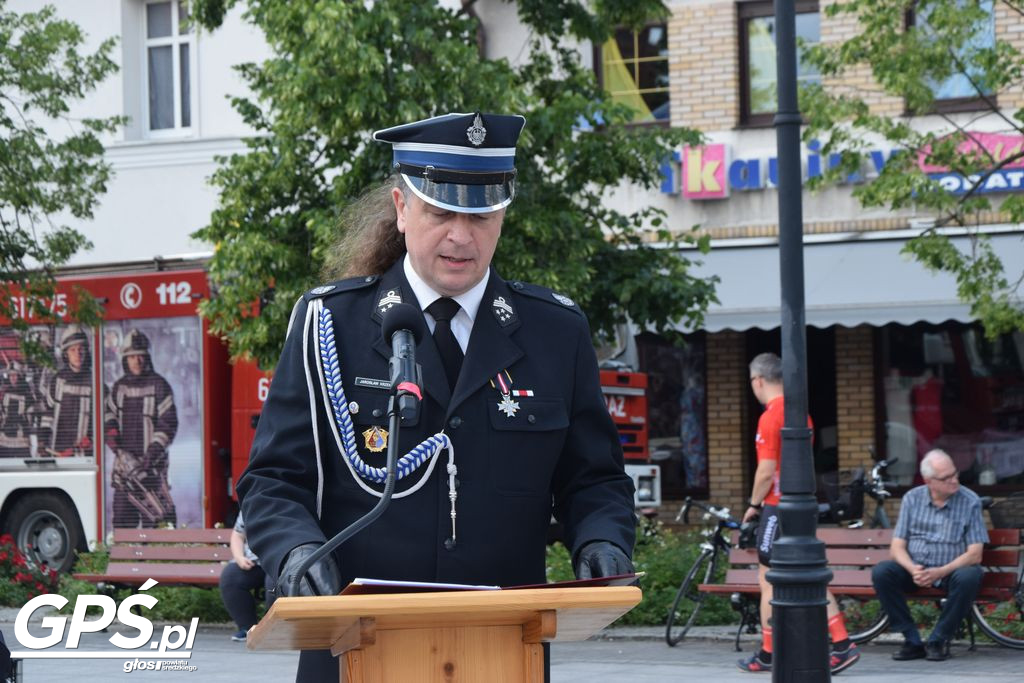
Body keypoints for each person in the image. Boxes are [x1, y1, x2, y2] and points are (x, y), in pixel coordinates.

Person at [238, 112, 637, 682]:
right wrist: (296, 551)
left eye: (480, 214)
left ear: (502, 215)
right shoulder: (330, 322)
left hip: (502, 647)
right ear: (402, 208)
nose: (461, 234)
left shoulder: (555, 330)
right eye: (441, 210)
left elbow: (593, 478)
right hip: (356, 648)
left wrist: (602, 538)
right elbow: (274, 478)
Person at [739, 352, 859, 674]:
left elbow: (765, 471)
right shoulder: (799, 413)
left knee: (767, 580)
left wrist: (753, 505)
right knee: (809, 574)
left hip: (777, 506)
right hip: (800, 505)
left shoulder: (769, 417)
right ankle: (842, 641)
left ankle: (768, 651)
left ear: (758, 380)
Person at [871, 449, 987, 662]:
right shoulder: (912, 499)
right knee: (882, 572)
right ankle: (912, 640)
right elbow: (897, 547)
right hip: (916, 570)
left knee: (970, 575)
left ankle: (939, 640)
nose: (954, 481)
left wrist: (940, 572)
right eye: (946, 478)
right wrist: (912, 569)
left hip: (950, 571)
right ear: (929, 481)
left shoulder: (970, 501)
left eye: (955, 474)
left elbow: (975, 554)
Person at [105, 329, 179, 527]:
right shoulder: (118, 388)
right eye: (131, 357)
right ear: (125, 360)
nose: (136, 361)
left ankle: (158, 558)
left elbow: (168, 422)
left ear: (146, 357)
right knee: (122, 524)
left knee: (157, 524)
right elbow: (109, 418)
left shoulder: (160, 386)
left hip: (152, 470)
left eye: (140, 356)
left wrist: (152, 453)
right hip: (125, 473)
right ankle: (124, 559)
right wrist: (116, 445)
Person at [37, 326, 94, 458]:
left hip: (87, 458)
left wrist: (92, 438)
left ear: (86, 352)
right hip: (58, 453)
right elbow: (47, 415)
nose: (78, 354)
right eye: (73, 350)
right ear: (66, 354)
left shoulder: (95, 382)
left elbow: (104, 421)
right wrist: (42, 442)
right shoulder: (57, 381)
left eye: (81, 349)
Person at [219, 511, 275, 642]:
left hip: (281, 560)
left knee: (274, 584)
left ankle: (273, 629)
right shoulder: (249, 502)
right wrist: (239, 557)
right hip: (253, 562)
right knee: (231, 577)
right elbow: (238, 535)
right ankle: (247, 629)